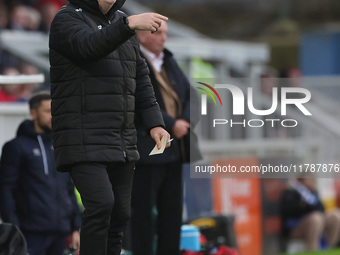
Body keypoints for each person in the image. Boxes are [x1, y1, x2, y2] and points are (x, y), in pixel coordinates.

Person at [49, 0, 170, 254]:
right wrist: (129, 24)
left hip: (121, 137)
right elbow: (89, 47)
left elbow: (140, 78)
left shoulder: (120, 21)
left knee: (119, 215)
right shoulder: (66, 19)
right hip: (82, 135)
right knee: (101, 204)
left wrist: (154, 123)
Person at [130, 21, 201, 255]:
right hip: (148, 150)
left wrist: (185, 122)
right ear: (141, 36)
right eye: (157, 32)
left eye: (165, 33)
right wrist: (172, 124)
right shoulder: (132, 60)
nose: (163, 38)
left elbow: (193, 96)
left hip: (175, 150)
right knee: (142, 215)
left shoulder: (168, 61)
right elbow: (138, 102)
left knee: (172, 215)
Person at [0, 91, 81, 255]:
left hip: (60, 231)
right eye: (47, 111)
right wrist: (14, 227)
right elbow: (5, 189)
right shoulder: (16, 147)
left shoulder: (60, 147)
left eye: (54, 111)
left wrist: (75, 227)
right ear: (33, 112)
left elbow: (68, 188)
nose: (52, 116)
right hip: (29, 231)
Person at [280, 177, 340, 251]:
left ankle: (329, 248)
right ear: (300, 181)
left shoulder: (312, 192)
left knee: (336, 215)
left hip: (318, 222)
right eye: (308, 179)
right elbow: (289, 212)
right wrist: (305, 206)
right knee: (316, 218)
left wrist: (308, 204)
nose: (311, 182)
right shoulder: (290, 192)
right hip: (296, 227)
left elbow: (321, 209)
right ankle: (313, 249)